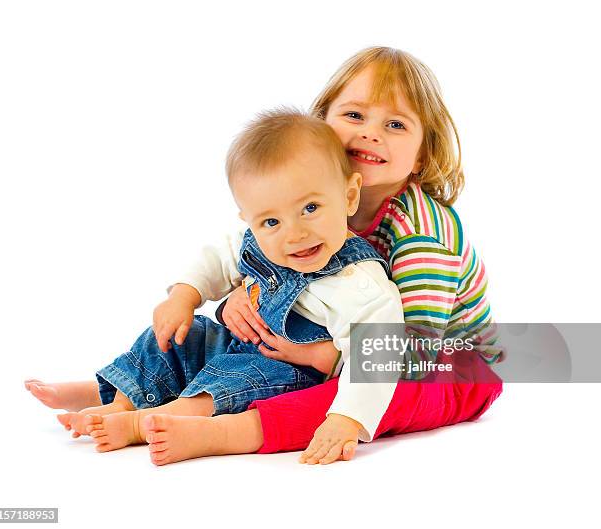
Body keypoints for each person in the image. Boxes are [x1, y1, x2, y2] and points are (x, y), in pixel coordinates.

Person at [25, 46, 504, 466]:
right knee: (209, 341)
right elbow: (256, 257)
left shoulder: (423, 236)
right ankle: (116, 388)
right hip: (342, 340)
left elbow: (403, 352)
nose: (371, 134)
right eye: (355, 116)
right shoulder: (311, 199)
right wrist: (241, 293)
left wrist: (326, 356)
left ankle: (228, 431)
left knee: (360, 396)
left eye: (395, 125)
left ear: (422, 154)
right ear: (322, 124)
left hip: (448, 365)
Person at [29, 108, 408, 454]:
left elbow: (379, 353)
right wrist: (184, 295)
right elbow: (216, 259)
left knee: (237, 376)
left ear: (349, 196)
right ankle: (117, 399)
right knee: (182, 336)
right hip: (236, 342)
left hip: (289, 370)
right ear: (250, 218)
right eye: (271, 222)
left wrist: (348, 417)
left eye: (310, 208)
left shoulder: (359, 282)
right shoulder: (254, 242)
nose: (294, 234)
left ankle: (139, 423)